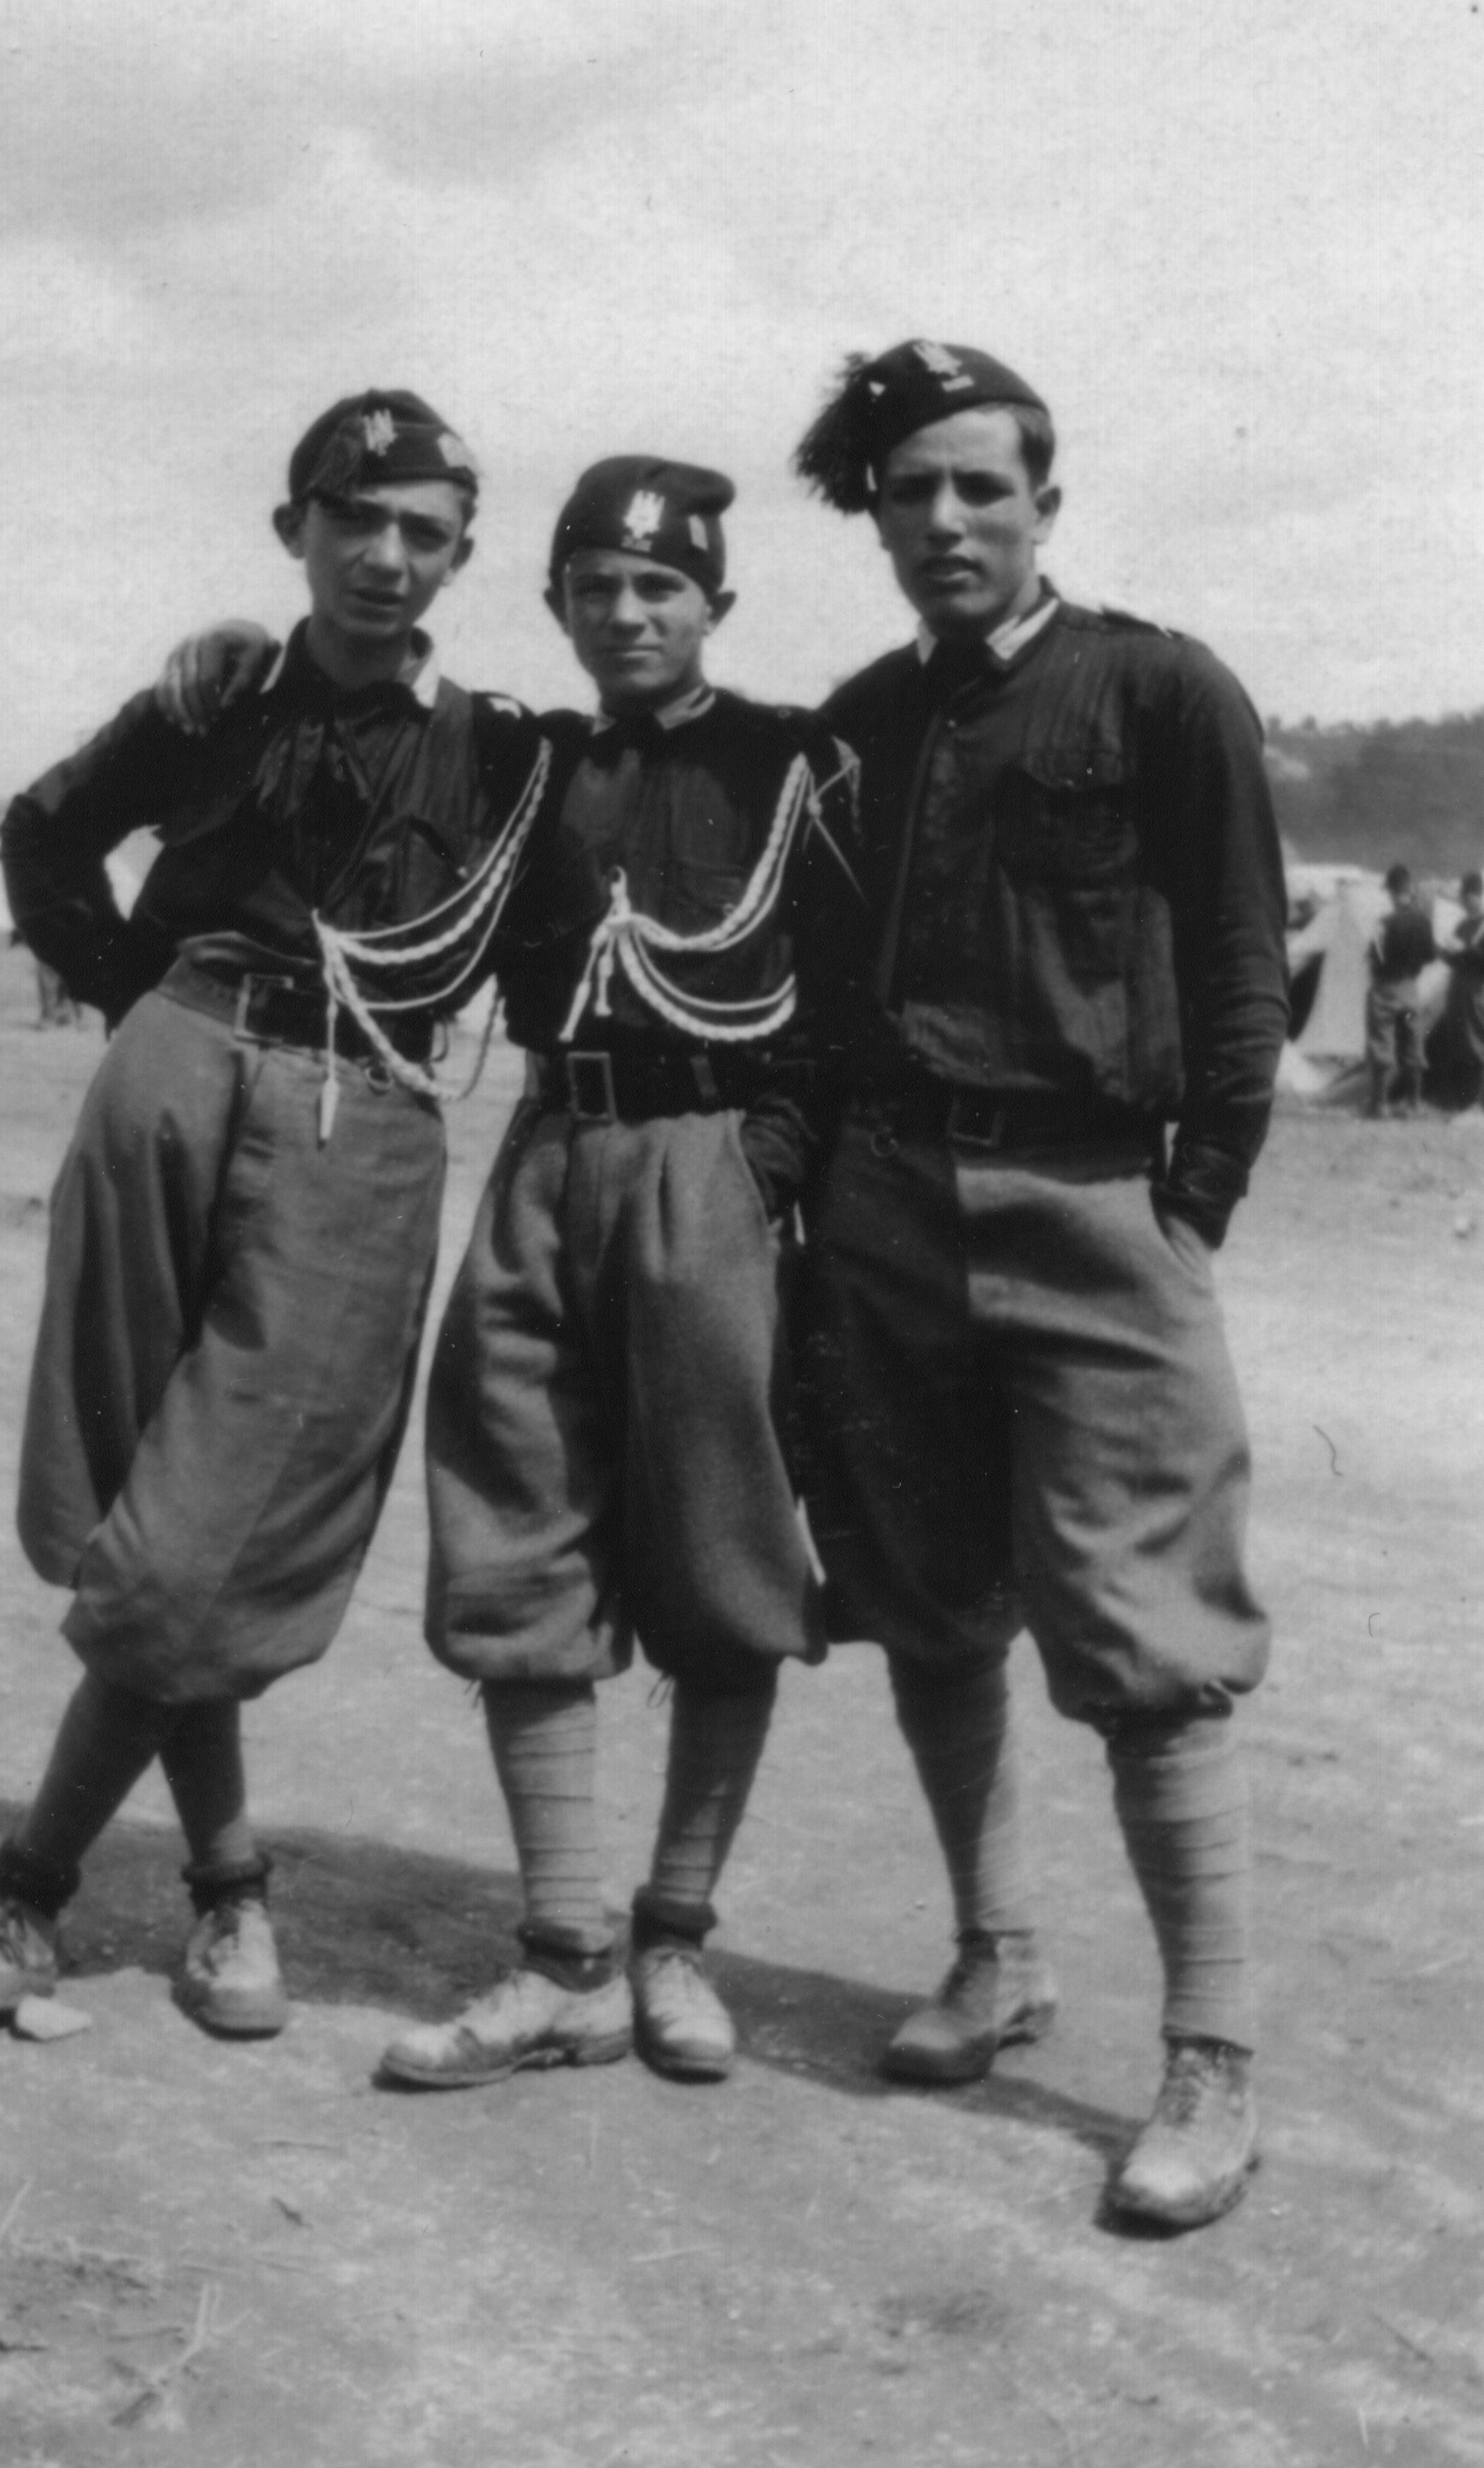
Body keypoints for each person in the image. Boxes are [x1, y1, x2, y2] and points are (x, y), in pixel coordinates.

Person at [0, 390, 551, 2039]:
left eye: (423, 532)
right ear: (296, 529)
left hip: (363, 1116)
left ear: (461, 559)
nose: (385, 554)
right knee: (137, 1492)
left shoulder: (508, 751)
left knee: (206, 1532)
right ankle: (223, 1895)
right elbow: (42, 832)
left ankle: (39, 1878)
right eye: (354, 518)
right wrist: (134, 996)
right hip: (176, 1066)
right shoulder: (211, 700)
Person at [792, 341, 1288, 2229]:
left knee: (1149, 1642)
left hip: (1096, 1198)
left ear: (1043, 505)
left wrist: (1194, 1201)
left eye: (979, 488)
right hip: (891, 1206)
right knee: (929, 1602)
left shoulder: (1157, 689)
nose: (944, 521)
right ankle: (995, 1952)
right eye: (909, 492)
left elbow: (1240, 961)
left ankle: (1212, 2055)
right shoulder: (859, 721)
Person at [372, 458, 868, 2088]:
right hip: (546, 1154)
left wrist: (760, 1172)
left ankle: (673, 1934)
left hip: (707, 1162)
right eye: (595, 587)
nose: (627, 613)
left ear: (714, 602)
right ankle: (564, 1955)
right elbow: (366, 708)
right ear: (557, 604)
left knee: (722, 1552)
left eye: (660, 588)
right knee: (511, 1526)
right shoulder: (526, 764)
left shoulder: (794, 764)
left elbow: (842, 1002)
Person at [1365, 864, 1438, 1117]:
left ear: (1393, 892)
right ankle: (1413, 1104)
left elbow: (1375, 956)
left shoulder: (1384, 923)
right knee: (1412, 1043)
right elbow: (1431, 956)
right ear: (1409, 889)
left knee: (1381, 1043)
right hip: (1410, 988)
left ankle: (1380, 1105)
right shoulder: (1424, 921)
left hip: (1385, 988)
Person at [1438, 870, 1484, 1109]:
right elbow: (1456, 958)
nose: (1463, 903)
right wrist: (1446, 953)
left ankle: (1478, 1101)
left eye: (1467, 898)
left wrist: (1464, 950)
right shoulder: (1464, 924)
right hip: (1459, 988)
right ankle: (1463, 1100)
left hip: (1477, 989)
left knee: (1477, 1044)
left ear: (1477, 895)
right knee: (1461, 1043)